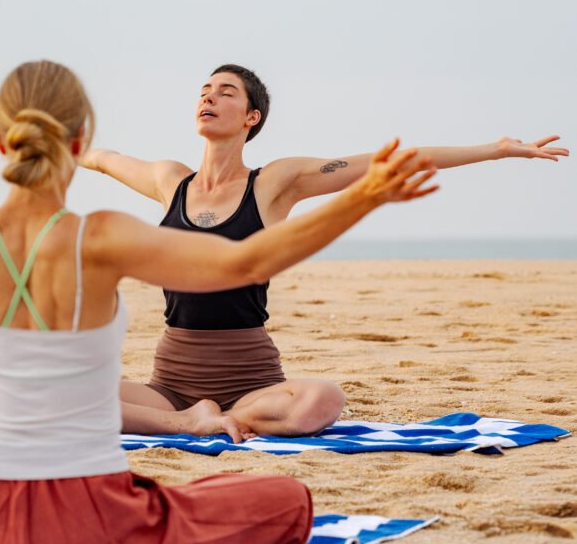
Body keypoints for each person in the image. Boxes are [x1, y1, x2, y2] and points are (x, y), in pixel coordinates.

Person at [0, 60, 437, 544]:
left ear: (0, 139)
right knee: (286, 502)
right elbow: (246, 263)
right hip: (96, 524)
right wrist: (363, 198)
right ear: (80, 142)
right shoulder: (101, 236)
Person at [82, 63, 569, 441]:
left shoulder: (274, 183)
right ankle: (189, 423)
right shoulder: (172, 182)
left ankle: (223, 417)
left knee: (322, 399)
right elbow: (103, 159)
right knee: (60, 393)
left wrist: (495, 149)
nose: (209, 96)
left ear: (251, 118)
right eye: (205, 91)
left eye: (226, 92)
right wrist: (49, 144)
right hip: (171, 384)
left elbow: (384, 162)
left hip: (254, 382)